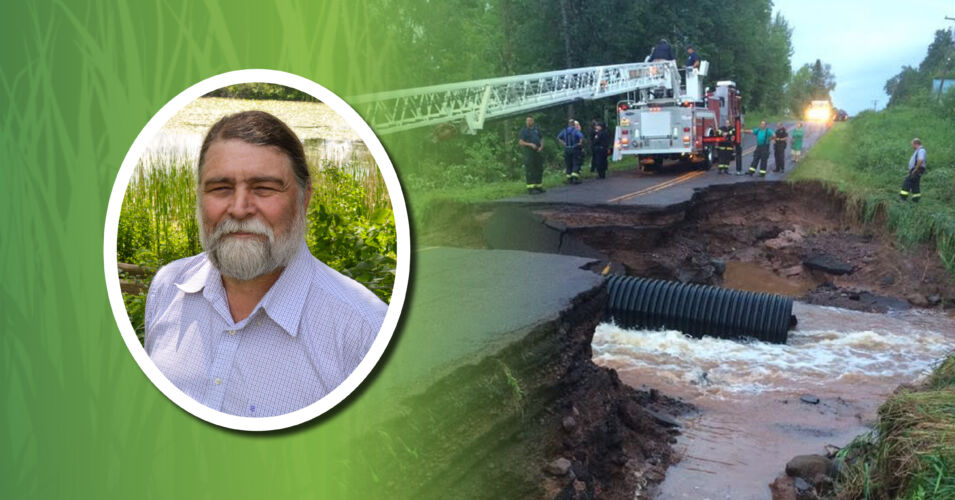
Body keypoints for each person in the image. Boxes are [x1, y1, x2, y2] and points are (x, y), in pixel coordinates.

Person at [145, 110, 387, 418]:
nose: (240, 208)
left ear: (304, 197)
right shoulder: (168, 288)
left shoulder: (365, 333)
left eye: (264, 188)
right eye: (220, 188)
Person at [518, 115, 545, 194]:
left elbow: (542, 138)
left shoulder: (536, 129)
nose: (529, 122)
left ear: (533, 121)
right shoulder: (524, 131)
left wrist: (541, 147)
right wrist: (530, 144)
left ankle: (539, 186)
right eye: (528, 120)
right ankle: (531, 188)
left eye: (530, 120)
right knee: (530, 169)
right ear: (526, 121)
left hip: (537, 151)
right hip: (529, 152)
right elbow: (521, 142)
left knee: (539, 168)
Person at [557, 119, 585, 184]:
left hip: (567, 149)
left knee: (568, 164)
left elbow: (558, 137)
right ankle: (575, 178)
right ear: (573, 124)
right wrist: (580, 143)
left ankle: (569, 179)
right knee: (576, 162)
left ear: (568, 124)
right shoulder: (575, 130)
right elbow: (581, 137)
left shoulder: (565, 130)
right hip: (575, 148)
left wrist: (564, 143)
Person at [900, 138, 927, 202]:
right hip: (917, 169)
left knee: (907, 182)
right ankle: (916, 199)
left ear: (916, 144)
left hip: (917, 169)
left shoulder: (921, 150)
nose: (912, 146)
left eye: (912, 144)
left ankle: (903, 199)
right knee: (915, 184)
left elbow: (920, 160)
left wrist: (915, 169)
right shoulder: (918, 150)